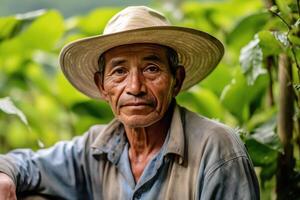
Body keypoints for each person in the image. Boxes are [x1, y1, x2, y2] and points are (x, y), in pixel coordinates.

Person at [0, 6, 260, 200]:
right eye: (119, 72)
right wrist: (5, 176)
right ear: (102, 86)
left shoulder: (216, 149)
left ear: (176, 80)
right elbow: (26, 164)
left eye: (151, 68)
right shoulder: (97, 148)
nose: (135, 87)